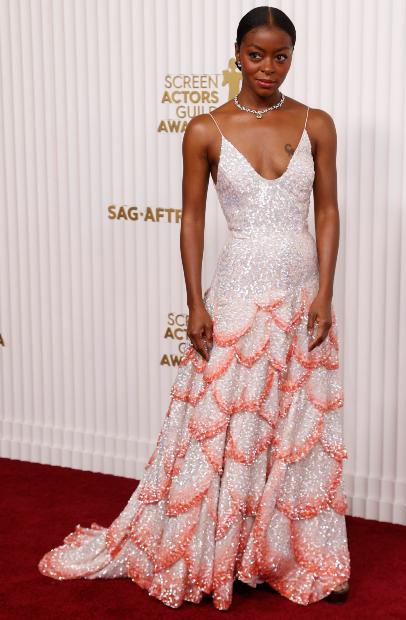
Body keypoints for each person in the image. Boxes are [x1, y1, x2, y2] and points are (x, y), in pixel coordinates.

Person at [38, 6, 351, 609]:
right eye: (256, 54)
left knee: (298, 427)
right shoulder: (205, 129)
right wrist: (193, 302)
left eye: (280, 55)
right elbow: (193, 220)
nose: (268, 66)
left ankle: (301, 553)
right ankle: (223, 550)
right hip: (235, 290)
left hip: (300, 291)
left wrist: (326, 292)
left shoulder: (318, 124)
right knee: (225, 424)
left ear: (293, 56)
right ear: (237, 53)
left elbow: (328, 211)